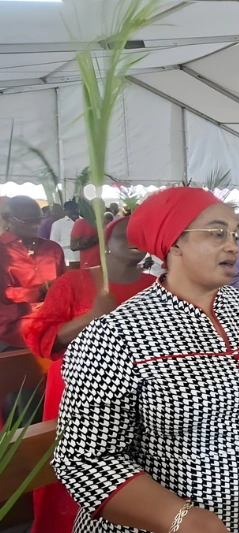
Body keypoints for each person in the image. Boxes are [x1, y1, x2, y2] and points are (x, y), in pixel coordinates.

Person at [52, 187, 239, 533]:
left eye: (235, 234)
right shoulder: (116, 335)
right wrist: (179, 517)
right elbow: (85, 460)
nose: (233, 246)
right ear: (174, 244)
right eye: (217, 233)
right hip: (164, 524)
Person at [22, 217, 155, 533]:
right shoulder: (74, 282)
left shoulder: (155, 286)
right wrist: (92, 316)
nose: (134, 240)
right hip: (78, 392)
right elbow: (41, 337)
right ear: (106, 243)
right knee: (77, 463)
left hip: (136, 394)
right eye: (125, 235)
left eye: (140, 235)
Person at [0, 196, 66, 349]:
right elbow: (4, 294)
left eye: (38, 220)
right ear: (8, 220)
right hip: (14, 330)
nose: (36, 226)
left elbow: (63, 286)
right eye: (28, 221)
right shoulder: (2, 251)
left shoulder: (53, 249)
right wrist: (41, 290)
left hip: (55, 325)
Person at [50, 200, 80, 266]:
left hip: (83, 258)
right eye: (71, 209)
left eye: (76, 209)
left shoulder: (84, 221)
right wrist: (70, 243)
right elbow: (53, 243)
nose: (74, 211)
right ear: (65, 211)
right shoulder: (58, 224)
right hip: (68, 259)